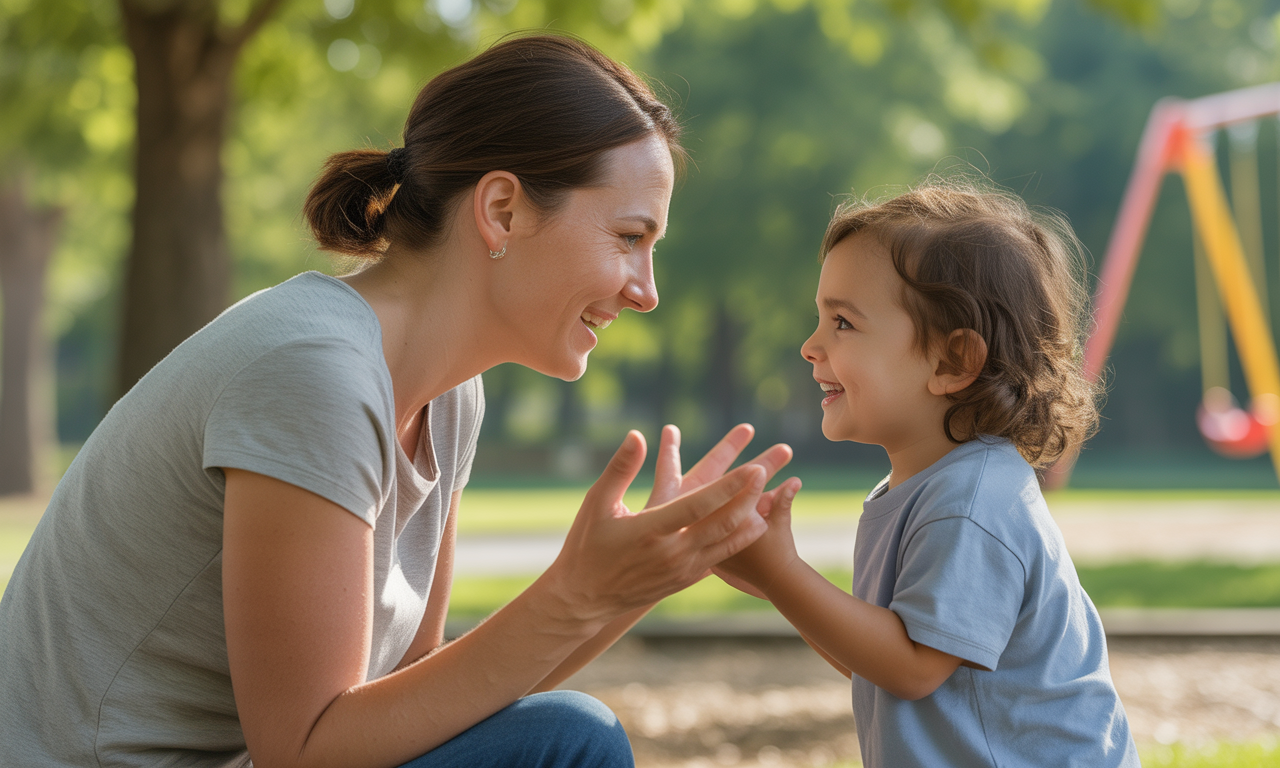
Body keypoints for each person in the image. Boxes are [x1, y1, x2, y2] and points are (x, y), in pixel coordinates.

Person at [0, 35, 797, 768]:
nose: (646, 291)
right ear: (503, 210)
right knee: (570, 741)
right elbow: (306, 750)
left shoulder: (450, 396)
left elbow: (421, 698)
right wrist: (580, 589)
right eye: (628, 237)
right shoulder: (314, 371)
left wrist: (635, 582)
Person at [715, 181, 1141, 767]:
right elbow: (881, 660)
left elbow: (911, 668)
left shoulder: (970, 502)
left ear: (952, 361)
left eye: (842, 323)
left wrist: (783, 574)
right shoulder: (931, 488)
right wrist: (770, 580)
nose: (811, 345)